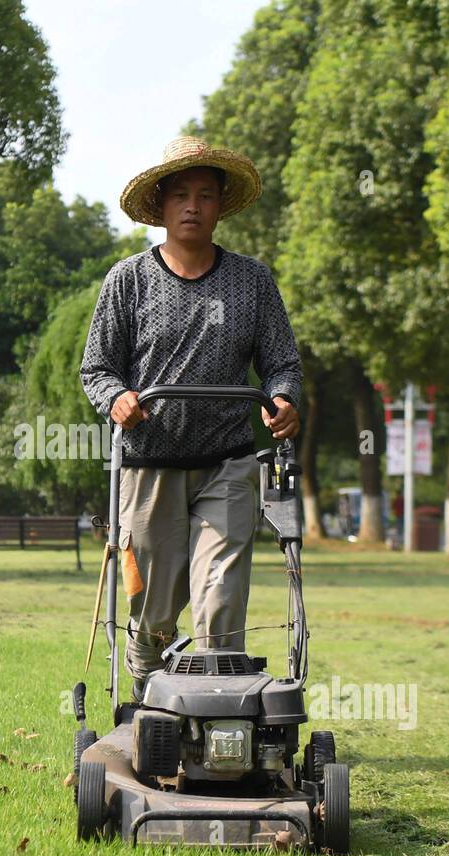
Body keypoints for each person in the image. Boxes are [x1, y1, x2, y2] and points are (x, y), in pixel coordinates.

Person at [80, 136, 303, 701]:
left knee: (220, 593)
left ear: (220, 206)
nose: (192, 206)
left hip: (227, 462)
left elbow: (280, 363)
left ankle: (218, 714)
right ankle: (148, 682)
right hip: (150, 464)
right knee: (155, 604)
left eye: (206, 195)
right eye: (181, 195)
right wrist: (117, 398)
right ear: (160, 206)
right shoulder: (127, 281)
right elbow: (97, 368)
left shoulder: (252, 281)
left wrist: (282, 398)